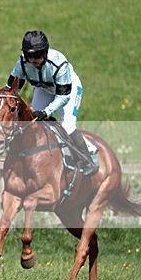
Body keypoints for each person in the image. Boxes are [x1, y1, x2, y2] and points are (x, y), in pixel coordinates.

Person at [6, 30, 98, 175]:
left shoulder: (58, 64)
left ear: (45, 52)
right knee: (32, 123)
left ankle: (87, 160)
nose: (33, 60)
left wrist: (46, 112)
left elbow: (63, 97)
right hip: (44, 89)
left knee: (66, 125)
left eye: (37, 55)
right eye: (29, 55)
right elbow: (11, 89)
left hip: (68, 90)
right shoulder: (22, 63)